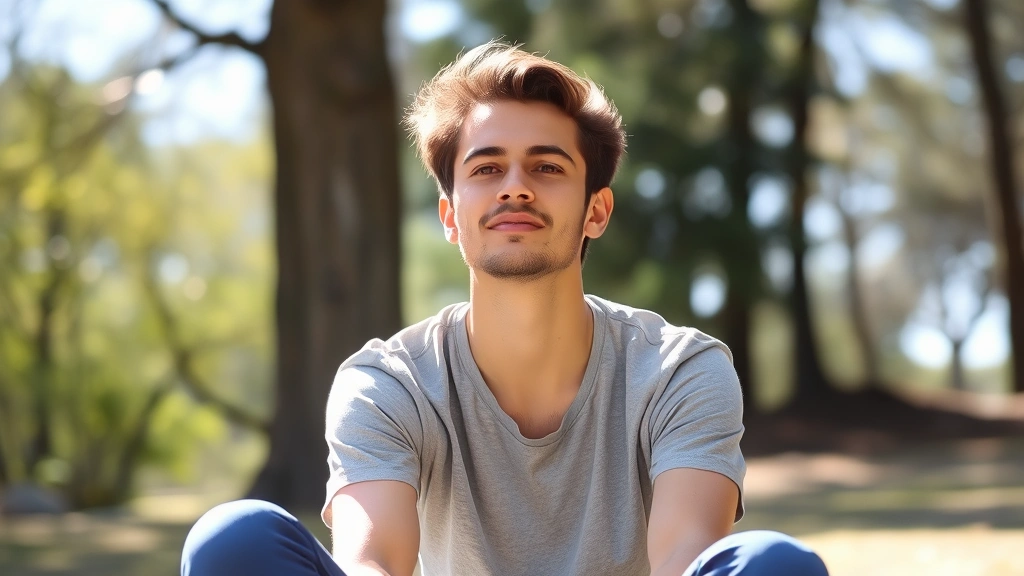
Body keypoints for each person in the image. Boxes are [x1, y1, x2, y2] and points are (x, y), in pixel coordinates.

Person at [180, 41, 829, 576]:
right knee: (234, 542)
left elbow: (684, 560)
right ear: (450, 217)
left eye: (546, 167)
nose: (515, 185)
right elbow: (372, 561)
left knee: (775, 566)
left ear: (595, 211)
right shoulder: (386, 384)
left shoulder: (678, 371)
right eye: (487, 169)